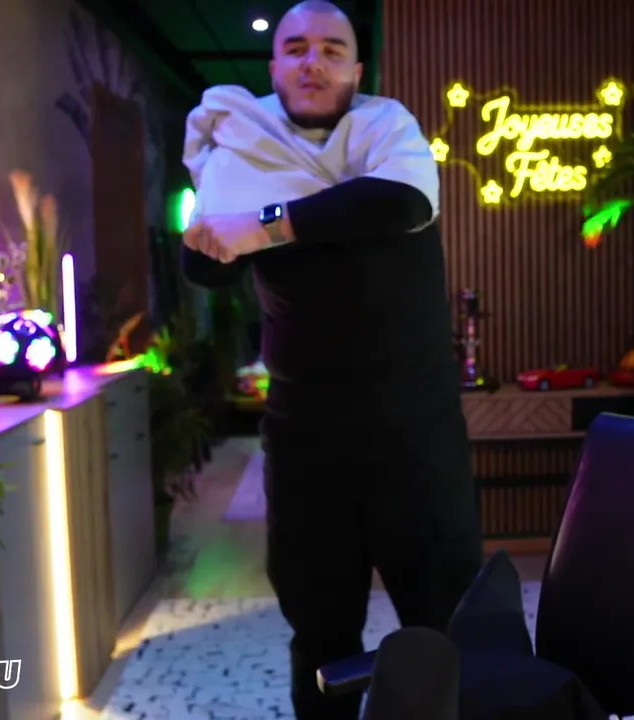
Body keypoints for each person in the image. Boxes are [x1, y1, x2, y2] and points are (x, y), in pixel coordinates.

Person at [179, 2, 483, 718]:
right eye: (295, 48)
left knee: (447, 630)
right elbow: (206, 266)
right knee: (320, 638)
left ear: (357, 68)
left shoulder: (385, 126)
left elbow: (399, 204)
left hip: (415, 430)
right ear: (273, 66)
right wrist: (226, 229)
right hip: (305, 436)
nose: (312, 61)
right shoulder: (243, 143)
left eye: (331, 49)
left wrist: (263, 224)